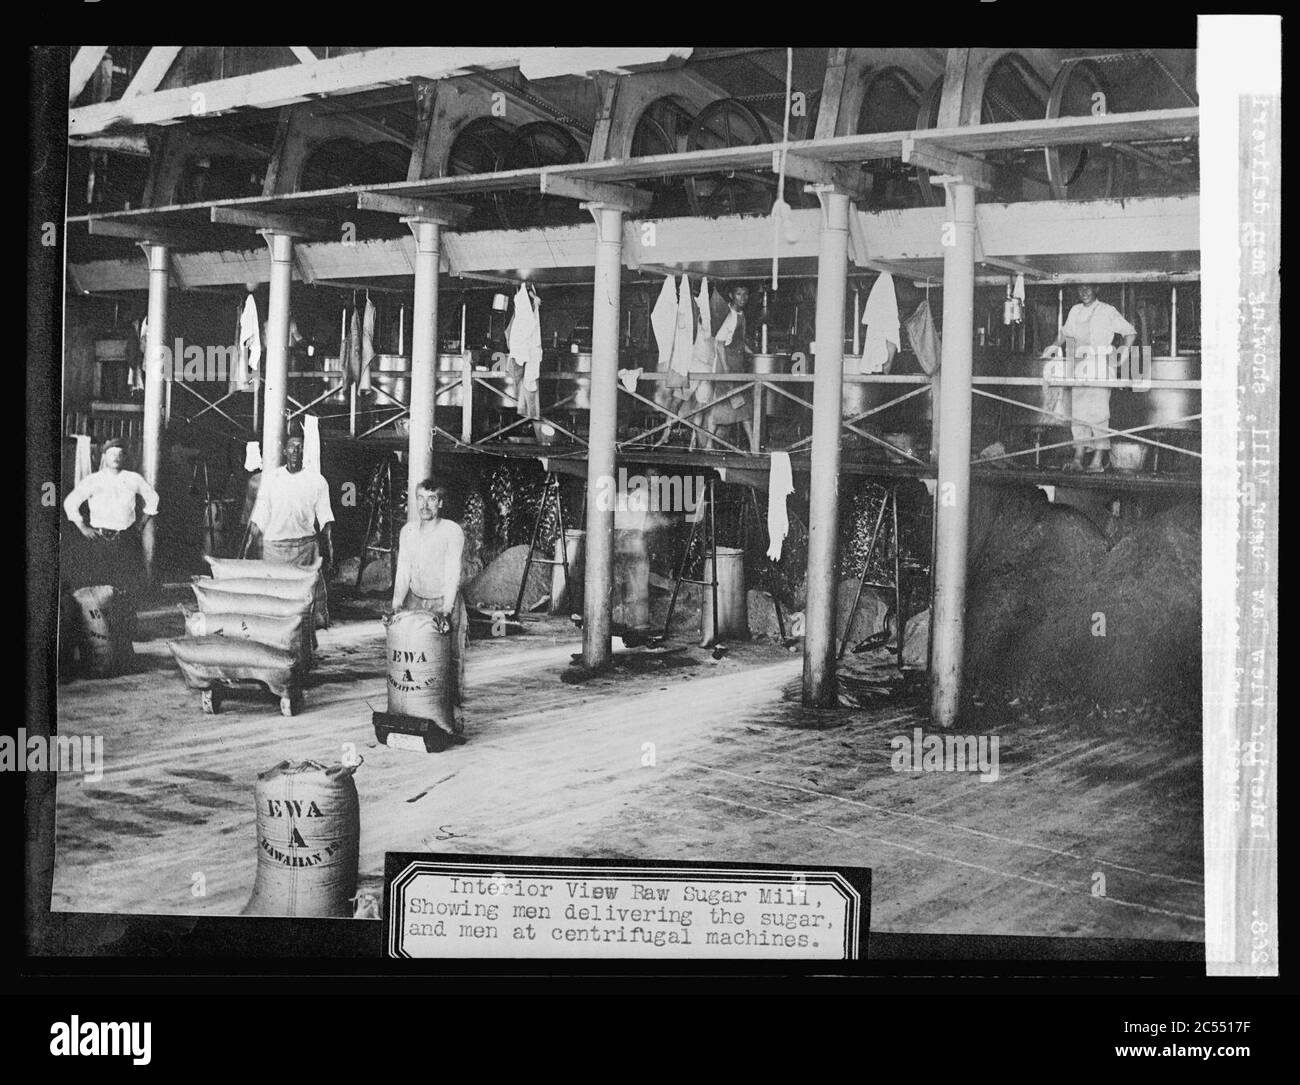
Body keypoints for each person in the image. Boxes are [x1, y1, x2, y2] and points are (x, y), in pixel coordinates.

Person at [62, 438, 160, 636]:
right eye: (111, 453)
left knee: (126, 585)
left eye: (119, 454)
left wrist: (141, 524)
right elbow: (70, 503)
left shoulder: (133, 478)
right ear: (104, 457)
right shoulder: (93, 480)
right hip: (99, 540)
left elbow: (153, 498)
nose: (115, 457)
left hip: (124, 539)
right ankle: (101, 631)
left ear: (124, 457)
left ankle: (126, 631)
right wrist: (82, 527)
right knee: (99, 584)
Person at [1043, 284, 1137, 472]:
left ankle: (1097, 460)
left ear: (1097, 290)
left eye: (1088, 289)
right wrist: (1053, 346)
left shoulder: (1107, 311)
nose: (1084, 293)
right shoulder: (1075, 310)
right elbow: (1065, 333)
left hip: (1101, 366)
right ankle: (1078, 458)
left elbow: (1130, 332)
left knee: (1099, 413)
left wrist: (1121, 357)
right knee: (1078, 413)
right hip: (1079, 365)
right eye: (1080, 289)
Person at [392, 479, 468, 707]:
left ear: (441, 503)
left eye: (432, 499)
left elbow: (453, 569)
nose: (425, 505)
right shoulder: (408, 532)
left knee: (450, 659)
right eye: (421, 498)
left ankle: (450, 713)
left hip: (444, 602)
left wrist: (447, 609)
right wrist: (396, 603)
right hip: (415, 600)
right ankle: (418, 708)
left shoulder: (451, 531)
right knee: (415, 657)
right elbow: (403, 569)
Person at [247, 436, 335, 620]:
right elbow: (260, 515)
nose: (296, 451)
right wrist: (247, 548)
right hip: (275, 549)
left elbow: (325, 520)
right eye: (292, 447)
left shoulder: (317, 481)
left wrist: (329, 551)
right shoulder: (272, 479)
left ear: (305, 452)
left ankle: (308, 628)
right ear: (285, 451)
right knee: (274, 601)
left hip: (305, 548)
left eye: (300, 447)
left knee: (307, 602)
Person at [703, 284, 755, 450]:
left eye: (745, 294)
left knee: (744, 408)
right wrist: (726, 371)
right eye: (739, 294)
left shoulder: (741, 314)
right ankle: (708, 445)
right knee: (721, 407)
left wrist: (753, 353)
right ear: (731, 295)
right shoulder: (728, 315)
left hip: (737, 366)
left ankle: (753, 447)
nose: (743, 298)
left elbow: (738, 341)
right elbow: (719, 345)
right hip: (726, 367)